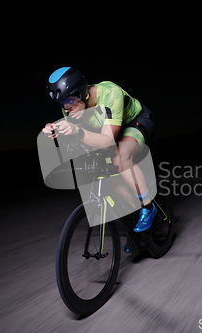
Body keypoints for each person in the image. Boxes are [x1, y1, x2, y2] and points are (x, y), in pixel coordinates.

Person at [42, 67, 156, 251]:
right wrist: (57, 131)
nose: (66, 108)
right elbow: (81, 142)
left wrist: (76, 131)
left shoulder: (110, 93)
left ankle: (148, 206)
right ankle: (135, 222)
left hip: (136, 120)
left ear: (84, 94)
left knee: (120, 157)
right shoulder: (70, 108)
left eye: (69, 100)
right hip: (107, 130)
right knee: (108, 173)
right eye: (61, 104)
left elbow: (106, 141)